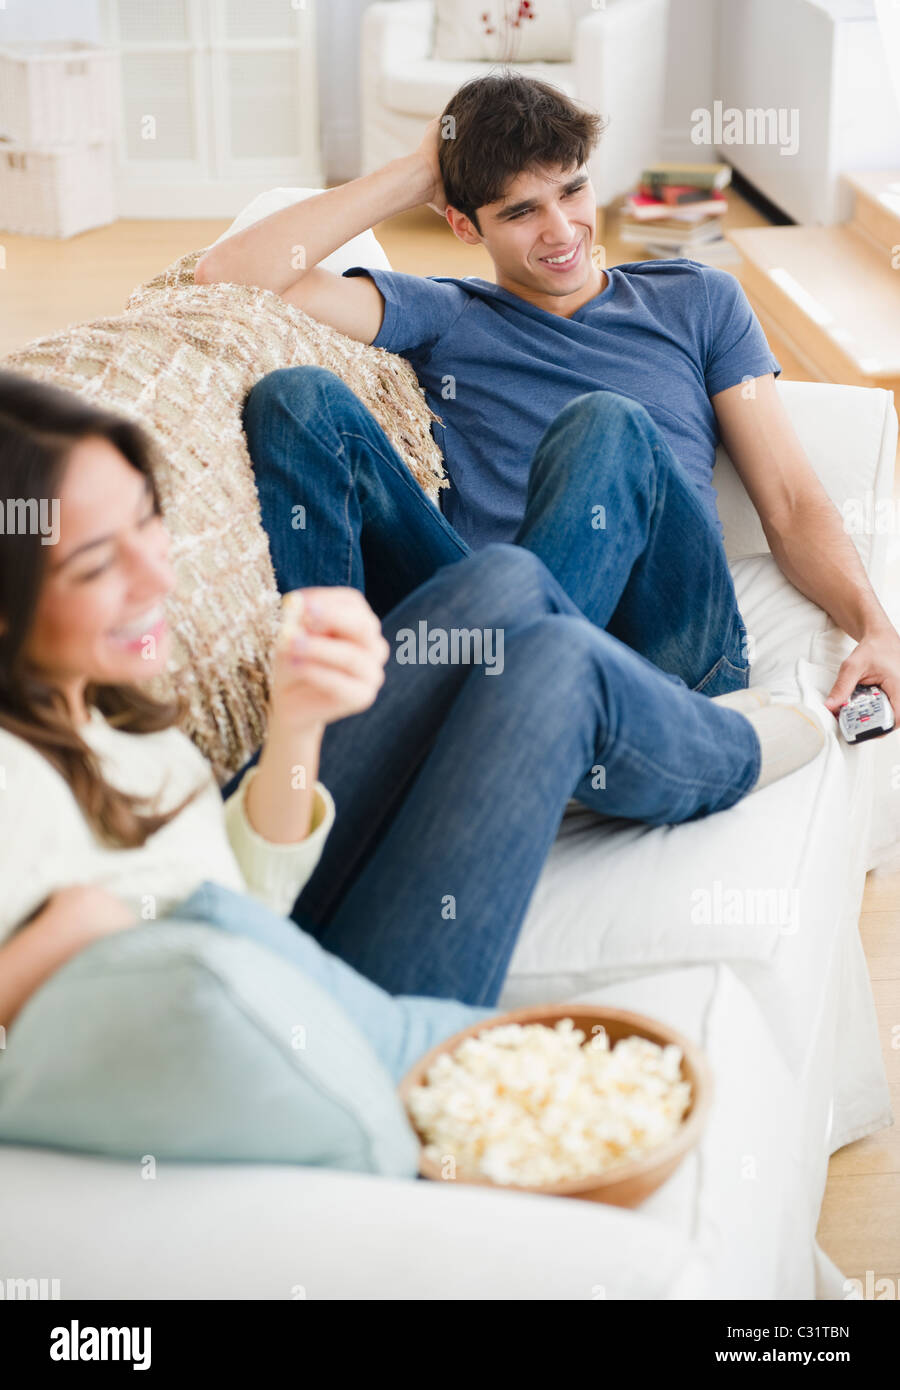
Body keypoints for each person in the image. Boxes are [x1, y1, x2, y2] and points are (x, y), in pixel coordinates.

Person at [0, 375, 819, 1063]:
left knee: (506, 583)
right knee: (556, 667)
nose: (157, 574)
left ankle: (634, 733)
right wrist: (53, 952)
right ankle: (727, 749)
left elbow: (250, 892)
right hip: (319, 1042)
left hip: (270, 942)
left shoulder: (109, 717)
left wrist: (296, 725)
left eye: (148, 520)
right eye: (98, 561)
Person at [194, 70, 900, 724]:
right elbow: (229, 274)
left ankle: (492, 718)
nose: (562, 231)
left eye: (572, 191)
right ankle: (328, 714)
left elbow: (790, 501)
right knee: (297, 401)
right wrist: (419, 170)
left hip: (669, 642)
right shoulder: (446, 314)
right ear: (465, 226)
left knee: (606, 427)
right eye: (521, 211)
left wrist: (877, 628)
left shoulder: (698, 301)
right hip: (485, 636)